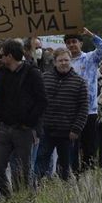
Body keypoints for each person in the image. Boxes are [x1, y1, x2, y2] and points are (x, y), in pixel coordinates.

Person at [0, 39, 47, 198]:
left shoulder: (32, 73)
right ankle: (8, 198)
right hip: (5, 128)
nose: (0, 58)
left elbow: (42, 100)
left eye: (2, 55)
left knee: (22, 170)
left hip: (24, 130)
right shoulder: (1, 74)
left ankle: (22, 201)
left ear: (9, 56)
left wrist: (30, 123)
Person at [35, 49, 88, 181]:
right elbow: (37, 102)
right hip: (46, 130)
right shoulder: (45, 78)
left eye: (66, 60)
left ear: (70, 61)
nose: (64, 63)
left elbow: (83, 108)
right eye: (60, 60)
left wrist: (76, 129)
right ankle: (37, 189)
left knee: (65, 166)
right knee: (40, 162)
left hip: (67, 132)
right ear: (55, 62)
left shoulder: (80, 82)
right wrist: (37, 125)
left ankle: (62, 191)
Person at [64, 27, 102, 174]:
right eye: (68, 42)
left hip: (89, 111)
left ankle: (87, 176)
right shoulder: (64, 62)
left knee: (89, 148)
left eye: (74, 41)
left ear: (80, 43)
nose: (71, 45)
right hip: (70, 112)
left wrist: (90, 34)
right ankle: (72, 175)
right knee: (71, 148)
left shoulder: (90, 58)